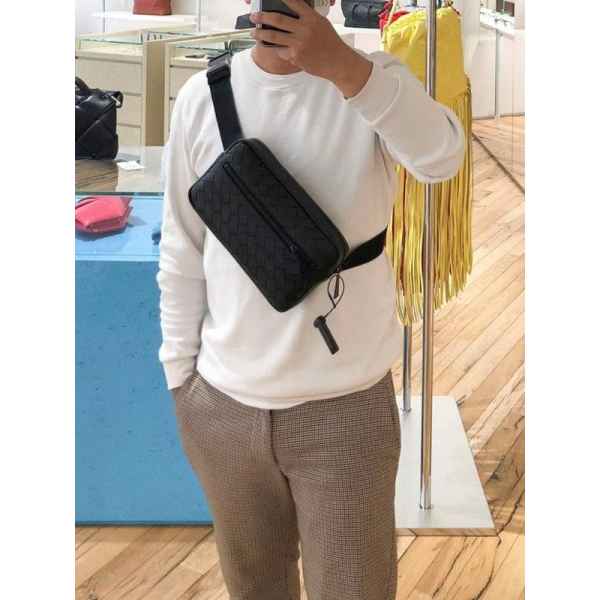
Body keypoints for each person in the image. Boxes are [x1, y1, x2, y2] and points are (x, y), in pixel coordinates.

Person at [157, 1, 465, 598]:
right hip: (222, 402)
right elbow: (182, 249)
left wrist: (347, 69)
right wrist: (180, 380)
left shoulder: (373, 82)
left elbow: (442, 159)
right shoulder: (202, 97)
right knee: (255, 587)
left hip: (345, 409)